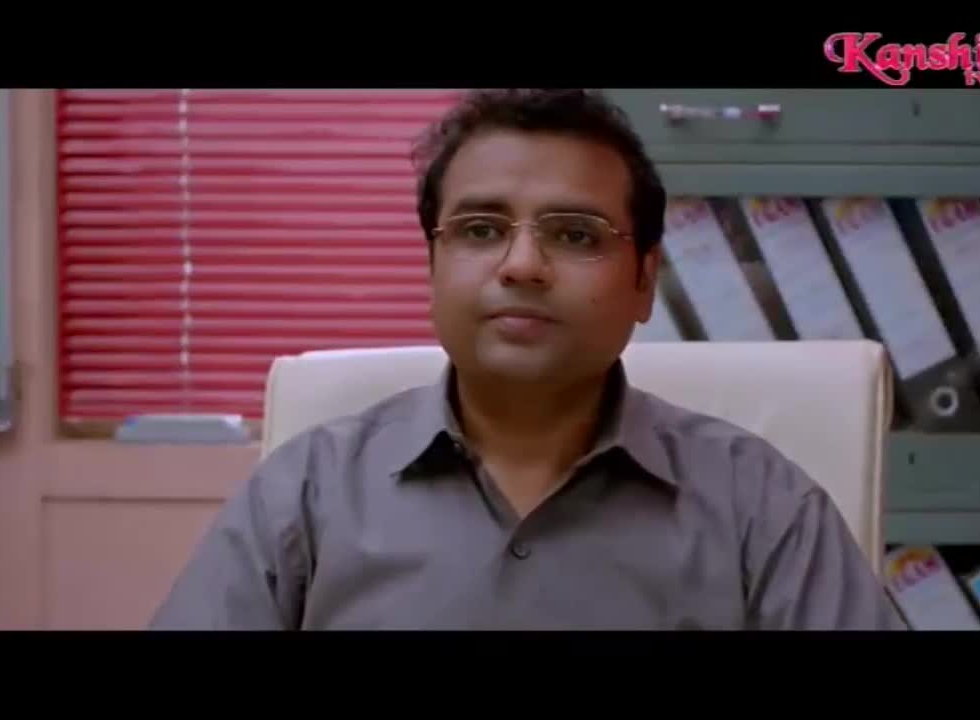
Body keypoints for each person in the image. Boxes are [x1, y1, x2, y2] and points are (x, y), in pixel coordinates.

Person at [150, 89, 906, 631]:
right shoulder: (306, 493)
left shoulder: (760, 505)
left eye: (575, 235)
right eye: (480, 230)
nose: (522, 265)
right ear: (433, 268)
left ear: (644, 280)